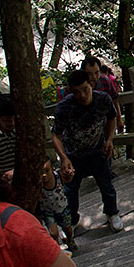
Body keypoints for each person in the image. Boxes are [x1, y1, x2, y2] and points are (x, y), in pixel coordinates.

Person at [52, 68, 123, 232]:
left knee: (106, 186)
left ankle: (112, 213)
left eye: (85, 89)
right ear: (71, 91)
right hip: (73, 156)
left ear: (91, 84)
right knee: (70, 192)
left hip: (98, 152)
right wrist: (63, 157)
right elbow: (56, 135)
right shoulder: (64, 107)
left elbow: (111, 117)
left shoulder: (102, 99)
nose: (82, 95)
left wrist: (110, 139)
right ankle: (72, 220)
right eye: (77, 92)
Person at [39, 158, 77, 252]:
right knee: (53, 233)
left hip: (62, 208)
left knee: (68, 229)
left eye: (47, 171)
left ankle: (70, 240)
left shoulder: (58, 176)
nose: (44, 175)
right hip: (47, 211)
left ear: (52, 169)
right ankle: (56, 248)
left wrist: (70, 174)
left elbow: (68, 179)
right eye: (40, 172)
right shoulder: (38, 184)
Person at [83, 56, 124, 134]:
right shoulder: (79, 85)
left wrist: (119, 120)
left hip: (105, 121)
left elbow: (114, 100)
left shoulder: (105, 81)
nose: (94, 77)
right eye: (89, 74)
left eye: (96, 72)